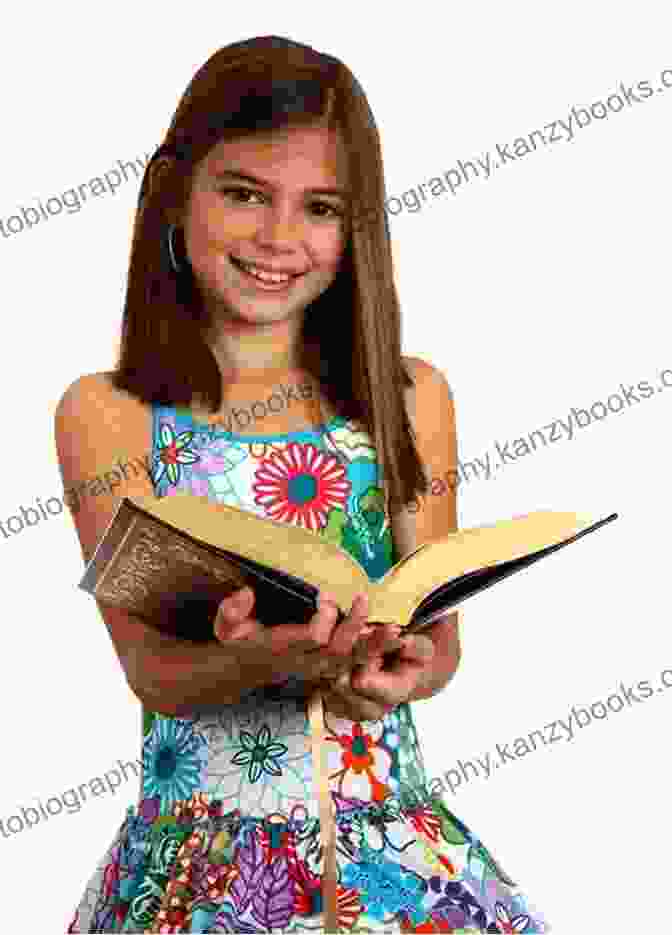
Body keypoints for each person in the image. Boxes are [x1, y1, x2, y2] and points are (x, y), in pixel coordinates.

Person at [56, 35, 550, 934]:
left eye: (320, 207)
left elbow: (439, 642)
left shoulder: (409, 397)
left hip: (392, 863)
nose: (281, 239)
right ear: (175, 190)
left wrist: (400, 669)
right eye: (244, 192)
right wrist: (261, 658)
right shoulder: (111, 414)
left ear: (354, 229)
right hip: (199, 876)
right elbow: (151, 670)